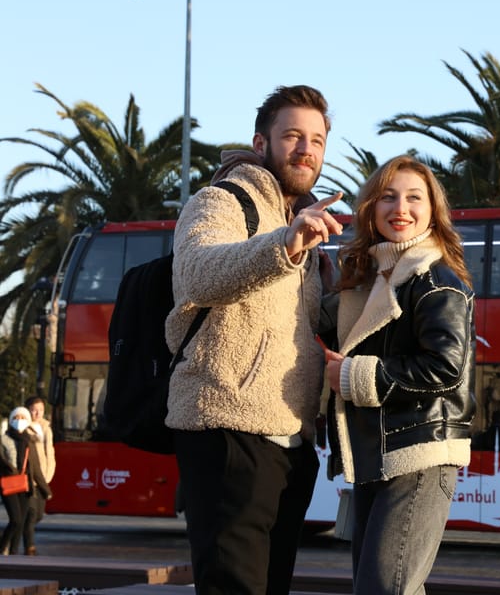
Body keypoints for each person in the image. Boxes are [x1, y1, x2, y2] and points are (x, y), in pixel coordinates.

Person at [166, 84, 343, 595]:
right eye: (292, 135)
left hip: (289, 441)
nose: (306, 150)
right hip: (228, 425)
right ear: (261, 143)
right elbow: (198, 275)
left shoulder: (304, 222)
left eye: (316, 140)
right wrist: (283, 244)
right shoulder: (222, 199)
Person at [318, 155, 476, 595]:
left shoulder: (434, 279)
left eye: (413, 197)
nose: (400, 208)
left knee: (383, 589)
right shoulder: (376, 280)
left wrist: (353, 377)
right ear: (370, 207)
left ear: (432, 210)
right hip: (380, 458)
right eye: (387, 197)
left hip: (420, 456)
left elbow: (445, 367)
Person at [0, 406, 51, 556]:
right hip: (8, 483)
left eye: (23, 418)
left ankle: (14, 552)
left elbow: (35, 468)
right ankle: (2, 547)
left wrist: (45, 490)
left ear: (28, 421)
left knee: (21, 522)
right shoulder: (3, 439)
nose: (19, 421)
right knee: (15, 519)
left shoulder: (29, 441)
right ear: (11, 420)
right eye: (16, 418)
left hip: (24, 485)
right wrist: (9, 469)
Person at [23, 396, 55, 556]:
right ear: (27, 410)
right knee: (32, 513)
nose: (37, 413)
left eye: (41, 410)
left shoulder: (46, 428)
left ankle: (14, 530)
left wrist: (49, 474)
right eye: (34, 410)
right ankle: (30, 546)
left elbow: (50, 452)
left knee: (39, 515)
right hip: (30, 479)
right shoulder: (24, 429)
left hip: (44, 477)